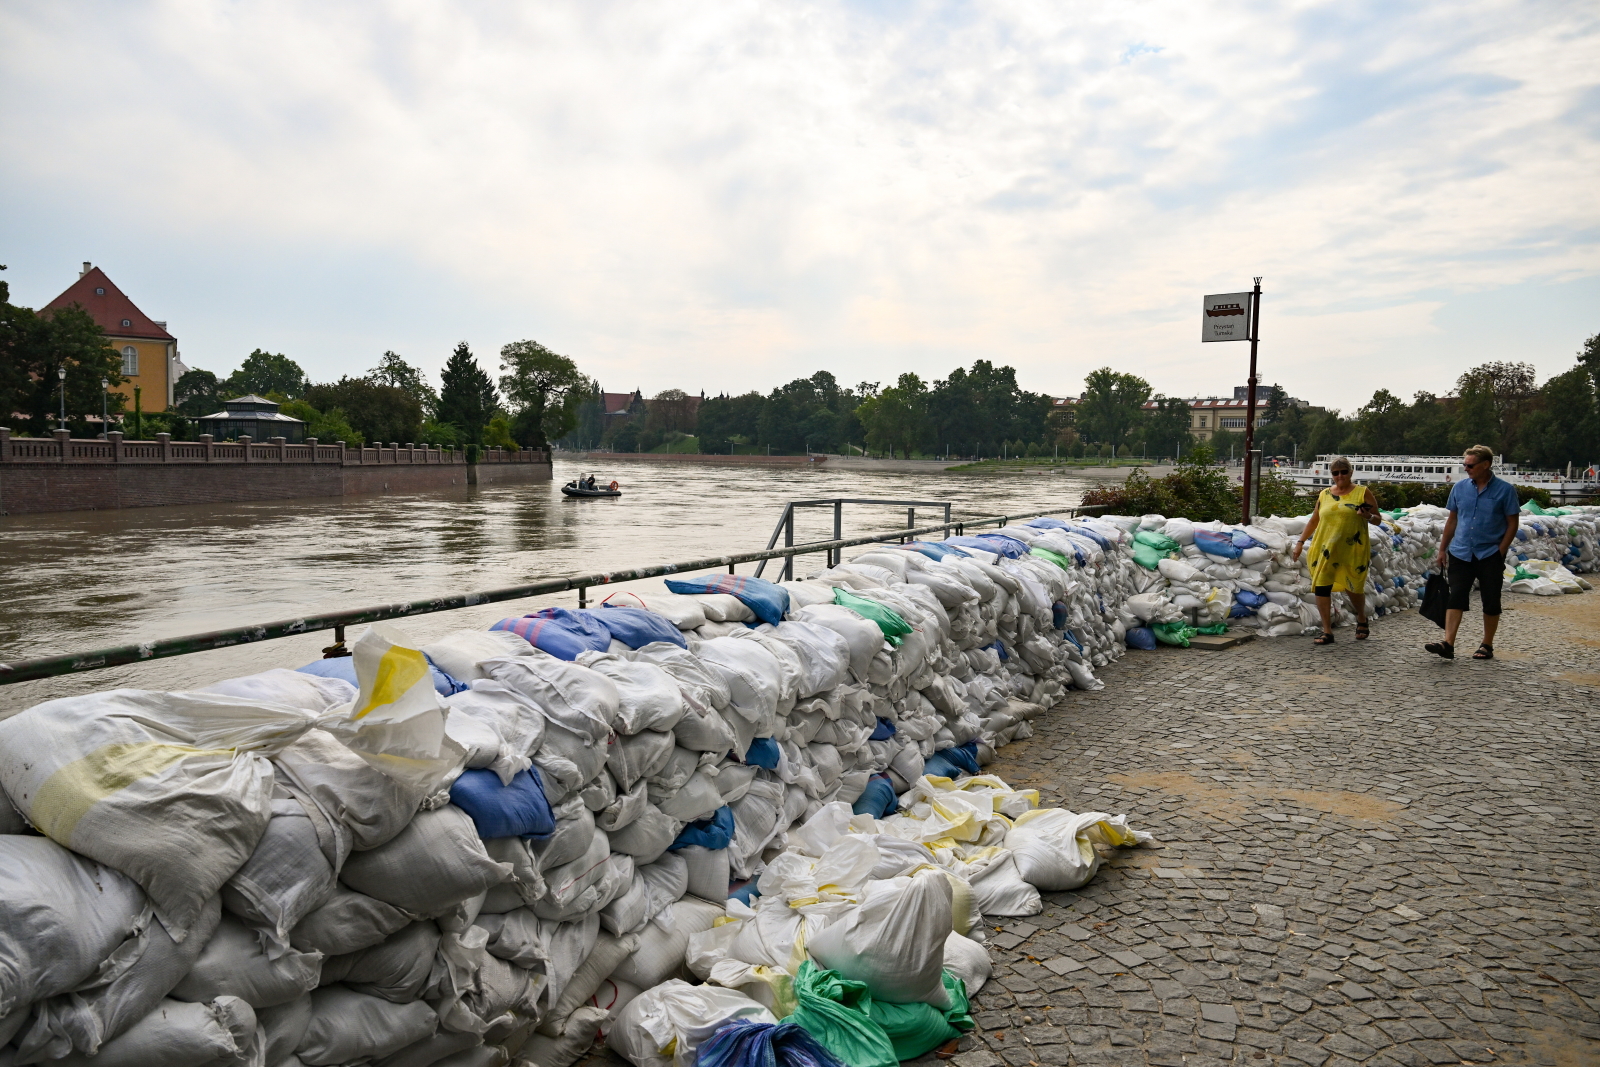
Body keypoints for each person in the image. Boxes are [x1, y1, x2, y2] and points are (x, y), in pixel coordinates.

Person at [1427, 444, 1520, 660]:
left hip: (1489, 554)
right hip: (1461, 552)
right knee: (1456, 596)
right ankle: (1448, 643)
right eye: (1465, 465)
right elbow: (1452, 520)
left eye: (1470, 465)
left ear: (1486, 465)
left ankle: (1487, 644)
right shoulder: (1459, 488)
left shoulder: (1505, 490)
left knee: (1491, 600)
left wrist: (1500, 551)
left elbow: (1512, 523)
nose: (1466, 469)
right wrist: (1442, 549)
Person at [1292, 456, 1382, 645]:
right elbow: (1314, 520)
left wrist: (1367, 516)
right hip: (1325, 548)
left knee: (1353, 587)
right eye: (1335, 473)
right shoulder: (1324, 494)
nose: (1340, 476)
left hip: (1352, 549)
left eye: (1343, 472)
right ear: (1331, 475)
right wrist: (1300, 542)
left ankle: (1361, 618)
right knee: (1321, 587)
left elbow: (1378, 519)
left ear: (1351, 472)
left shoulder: (1362, 492)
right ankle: (1327, 631)